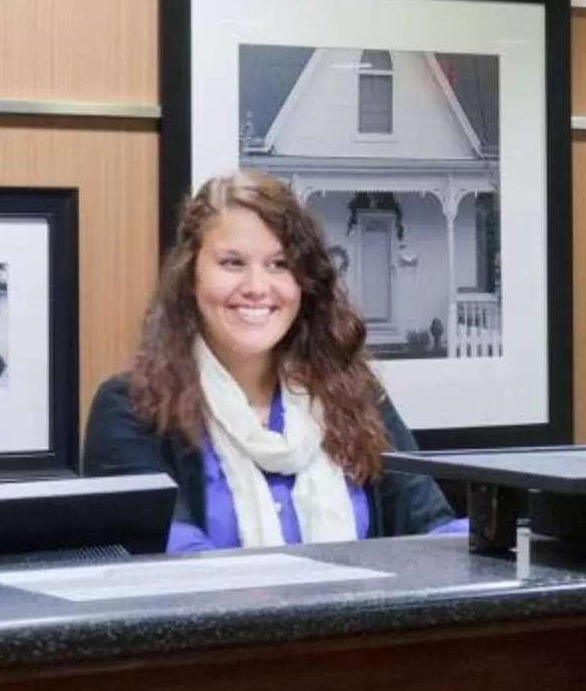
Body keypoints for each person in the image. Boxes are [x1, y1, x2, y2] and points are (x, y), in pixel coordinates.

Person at [83, 171, 457, 550]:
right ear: (190, 275)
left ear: (305, 281)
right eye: (232, 263)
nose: (257, 287)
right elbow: (170, 561)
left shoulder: (356, 396)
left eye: (279, 264)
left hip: (361, 609)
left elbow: (433, 532)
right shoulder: (132, 410)